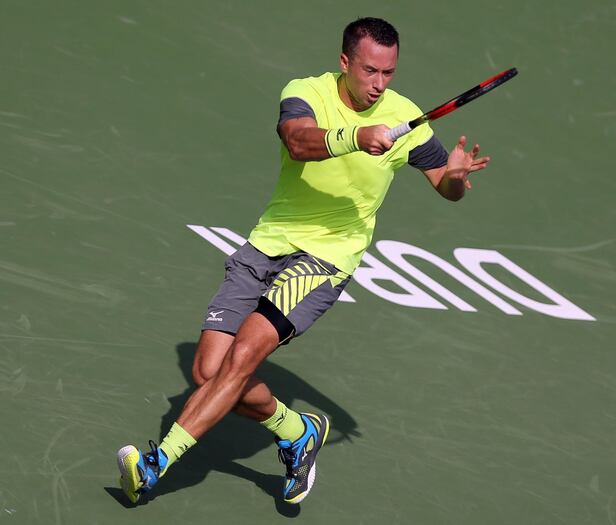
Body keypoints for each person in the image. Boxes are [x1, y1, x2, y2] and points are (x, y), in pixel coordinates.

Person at [116, 16, 490, 505]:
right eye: (370, 70)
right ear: (344, 62)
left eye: (389, 73)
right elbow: (298, 140)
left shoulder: (406, 117)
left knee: (244, 356)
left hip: (324, 259)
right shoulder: (305, 92)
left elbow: (446, 184)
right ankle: (297, 431)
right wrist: (357, 137)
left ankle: (155, 465)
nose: (379, 84)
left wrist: (456, 178)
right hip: (266, 244)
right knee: (209, 373)